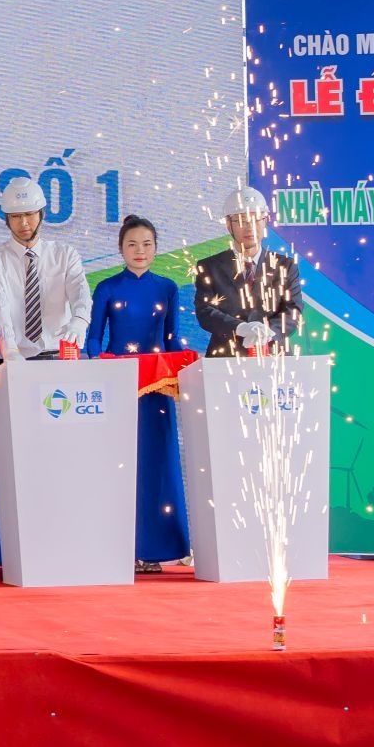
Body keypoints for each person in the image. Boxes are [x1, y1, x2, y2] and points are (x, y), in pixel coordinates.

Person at [88, 214, 188, 569]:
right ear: (120, 249)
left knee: (158, 463)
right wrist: (98, 365)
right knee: (119, 464)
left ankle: (158, 549)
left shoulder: (167, 288)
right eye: (132, 244)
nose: (139, 250)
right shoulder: (107, 288)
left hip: (156, 389)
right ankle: (120, 548)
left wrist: (185, 371)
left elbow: (173, 340)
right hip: (119, 386)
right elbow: (93, 339)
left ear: (156, 248)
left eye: (147, 244)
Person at [0, 176, 86, 364]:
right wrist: (10, 351)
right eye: (15, 216)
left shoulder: (65, 254)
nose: (24, 223)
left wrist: (80, 320)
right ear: (6, 218)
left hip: (61, 357)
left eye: (30, 214)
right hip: (14, 359)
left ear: (42, 213)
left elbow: (80, 291)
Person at [194, 185, 303, 357]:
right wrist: (241, 328)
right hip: (225, 358)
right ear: (228, 224)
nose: (250, 226)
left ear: (265, 221)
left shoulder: (285, 265)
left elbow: (293, 311)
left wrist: (268, 332)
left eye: (256, 219)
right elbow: (205, 311)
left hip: (275, 358)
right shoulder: (209, 267)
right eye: (241, 220)